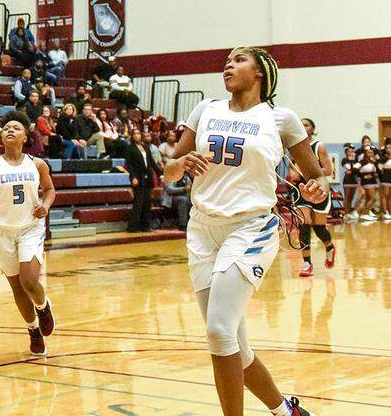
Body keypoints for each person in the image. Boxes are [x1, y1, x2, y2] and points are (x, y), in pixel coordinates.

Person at [162, 46, 322, 416]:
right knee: (235, 344)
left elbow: (317, 176)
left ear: (261, 73)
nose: (228, 65)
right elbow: (170, 170)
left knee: (219, 331)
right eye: (227, 61)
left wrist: (319, 187)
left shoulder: (281, 119)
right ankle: (287, 412)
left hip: (251, 227)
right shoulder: (205, 110)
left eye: (239, 61)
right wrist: (181, 163)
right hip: (202, 229)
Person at [0, 112, 57, 356]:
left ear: (25, 136)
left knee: (30, 282)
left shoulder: (37, 164)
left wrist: (45, 206)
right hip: (3, 230)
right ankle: (33, 330)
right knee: (17, 288)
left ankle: (43, 308)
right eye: (6, 128)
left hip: (30, 229)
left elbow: (50, 190)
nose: (9, 131)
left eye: (16, 128)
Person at [291, 118, 335, 277]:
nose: (303, 127)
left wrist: (309, 171)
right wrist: (294, 174)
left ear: (312, 128)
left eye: (306, 124)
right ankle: (306, 263)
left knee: (318, 227)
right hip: (300, 189)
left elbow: (328, 170)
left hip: (318, 187)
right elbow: (292, 172)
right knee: (304, 224)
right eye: (301, 124)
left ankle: (329, 247)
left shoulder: (319, 147)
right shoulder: (294, 147)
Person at [123, 128, 158, 232]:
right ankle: (133, 227)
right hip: (138, 177)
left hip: (148, 177)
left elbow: (151, 162)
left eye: (138, 133)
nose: (137, 135)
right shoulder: (130, 148)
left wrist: (160, 174)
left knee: (147, 203)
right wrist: (133, 177)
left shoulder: (146, 147)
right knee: (138, 203)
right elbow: (129, 165)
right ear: (132, 136)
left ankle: (145, 226)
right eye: (135, 134)